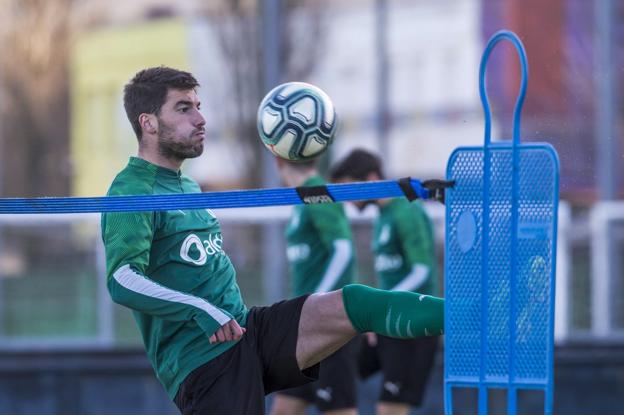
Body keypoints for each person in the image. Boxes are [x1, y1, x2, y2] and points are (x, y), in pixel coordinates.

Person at [101, 66, 444, 415]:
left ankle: (469, 316)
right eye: (184, 108)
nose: (201, 118)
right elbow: (121, 279)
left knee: (354, 302)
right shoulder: (131, 190)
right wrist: (201, 310)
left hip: (247, 330)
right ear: (149, 123)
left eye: (198, 105)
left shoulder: (188, 185)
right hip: (203, 362)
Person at [330, 149, 440, 415]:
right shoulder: (382, 217)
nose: (347, 198)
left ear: (370, 178)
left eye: (349, 187)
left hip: (413, 322)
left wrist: (381, 307)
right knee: (335, 373)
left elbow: (422, 271)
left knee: (390, 407)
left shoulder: (407, 212)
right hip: (389, 322)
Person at [271, 158, 358, 415]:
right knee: (284, 409)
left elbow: (343, 250)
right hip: (303, 327)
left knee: (340, 409)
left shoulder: (316, 191)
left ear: (277, 159)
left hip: (329, 323)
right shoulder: (302, 198)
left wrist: (315, 301)